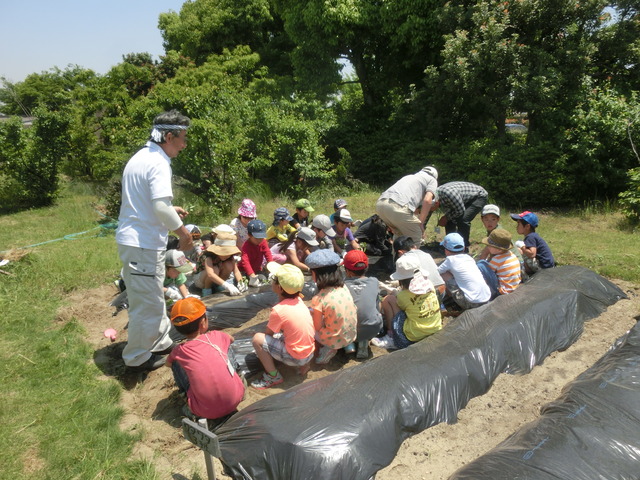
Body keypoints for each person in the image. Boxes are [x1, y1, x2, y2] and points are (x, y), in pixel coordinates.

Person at [115, 109, 194, 372]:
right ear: (169, 136)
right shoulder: (159, 162)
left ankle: (160, 342)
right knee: (146, 305)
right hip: (142, 243)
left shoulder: (142, 156)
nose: (184, 144)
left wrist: (173, 211)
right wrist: (183, 234)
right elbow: (160, 208)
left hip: (140, 241)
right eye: (182, 138)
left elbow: (153, 205)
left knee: (153, 298)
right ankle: (137, 358)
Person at [166, 298, 245, 427]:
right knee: (225, 345)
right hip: (236, 398)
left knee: (175, 363)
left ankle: (189, 403)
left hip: (205, 411)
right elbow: (231, 339)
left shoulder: (179, 350)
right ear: (203, 322)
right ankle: (239, 379)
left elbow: (168, 364)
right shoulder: (217, 335)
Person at [251, 263, 316, 389]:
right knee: (287, 334)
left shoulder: (279, 310)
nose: (272, 281)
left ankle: (273, 376)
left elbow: (268, 334)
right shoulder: (299, 300)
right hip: (309, 353)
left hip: (295, 357)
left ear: (280, 288)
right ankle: (304, 365)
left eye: (274, 280)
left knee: (257, 339)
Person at [373, 254, 442, 350]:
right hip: (435, 329)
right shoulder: (429, 284)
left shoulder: (403, 296)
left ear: (401, 280)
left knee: (388, 300)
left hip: (413, 335)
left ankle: (392, 337)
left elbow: (401, 304)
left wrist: (389, 289)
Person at [304, 249, 358, 365]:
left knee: (308, 323)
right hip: (351, 334)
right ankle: (348, 345)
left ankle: (329, 349)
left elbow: (317, 327)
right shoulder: (344, 287)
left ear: (316, 274)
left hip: (333, 339)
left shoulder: (319, 299)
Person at [375, 166, 438, 244]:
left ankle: (397, 255)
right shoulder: (432, 180)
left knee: (400, 236)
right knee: (416, 235)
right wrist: (420, 223)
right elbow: (428, 200)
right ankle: (410, 256)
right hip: (397, 206)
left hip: (381, 204)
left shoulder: (410, 177)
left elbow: (411, 210)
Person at [343, 250, 383, 359]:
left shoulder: (342, 286)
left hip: (349, 331)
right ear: (367, 267)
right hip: (373, 328)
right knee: (377, 301)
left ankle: (348, 344)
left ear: (347, 271)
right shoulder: (374, 281)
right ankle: (364, 341)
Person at [437, 233, 491, 311]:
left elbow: (437, 272)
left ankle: (444, 304)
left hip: (471, 303)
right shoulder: (469, 258)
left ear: (446, 251)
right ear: (464, 248)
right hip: (486, 298)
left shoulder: (450, 260)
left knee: (444, 274)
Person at [432, 181, 488, 251]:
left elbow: (460, 210)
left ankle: (463, 247)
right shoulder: (433, 196)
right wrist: (421, 227)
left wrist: (446, 217)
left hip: (478, 196)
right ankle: (450, 245)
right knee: (450, 220)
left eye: (431, 208)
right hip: (462, 200)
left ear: (437, 203)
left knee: (463, 219)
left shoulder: (450, 194)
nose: (431, 210)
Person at [194, 232, 245, 297]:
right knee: (215, 270)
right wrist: (227, 285)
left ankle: (218, 286)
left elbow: (236, 271)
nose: (226, 255)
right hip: (201, 280)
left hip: (217, 280)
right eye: (224, 252)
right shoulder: (207, 256)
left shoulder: (230, 257)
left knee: (229, 265)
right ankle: (207, 289)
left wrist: (241, 282)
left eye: (228, 253)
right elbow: (210, 274)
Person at [476, 228, 522, 297]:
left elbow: (488, 273)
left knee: (481, 264)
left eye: (489, 246)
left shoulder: (497, 259)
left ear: (498, 249)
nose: (488, 247)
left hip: (502, 292)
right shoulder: (511, 255)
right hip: (515, 287)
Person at [239, 219, 273, 287]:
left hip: (257, 270)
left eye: (261, 237)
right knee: (246, 283)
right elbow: (245, 262)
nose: (259, 240)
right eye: (257, 238)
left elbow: (268, 255)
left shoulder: (263, 242)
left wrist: (272, 269)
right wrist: (252, 275)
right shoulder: (246, 246)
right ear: (249, 235)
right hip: (244, 271)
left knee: (264, 280)